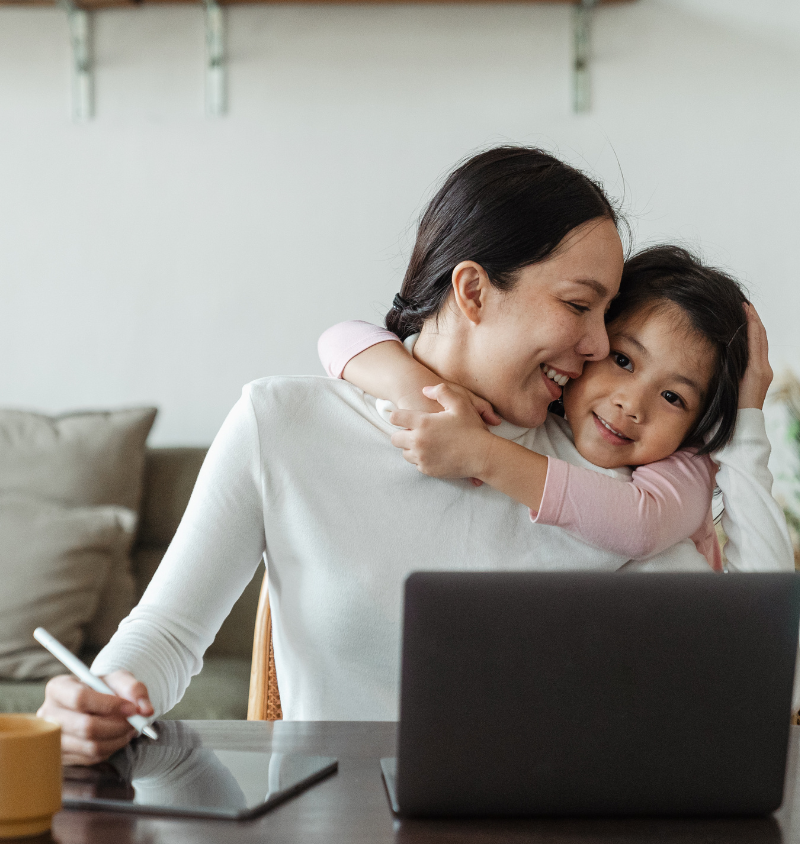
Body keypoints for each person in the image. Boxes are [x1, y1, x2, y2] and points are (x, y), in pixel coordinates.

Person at [36, 147, 790, 766]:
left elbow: (755, 667)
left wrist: (748, 421)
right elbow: (167, 634)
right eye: (577, 305)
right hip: (328, 836)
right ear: (472, 290)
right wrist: (99, 694)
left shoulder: (613, 478)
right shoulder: (283, 424)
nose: (597, 347)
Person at [317, 247, 789, 571]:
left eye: (673, 397)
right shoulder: (537, 413)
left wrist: (746, 420)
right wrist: (418, 391)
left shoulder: (684, 466)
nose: (632, 403)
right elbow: (340, 337)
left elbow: (640, 524)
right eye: (622, 360)